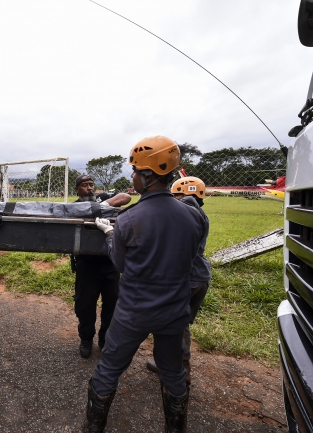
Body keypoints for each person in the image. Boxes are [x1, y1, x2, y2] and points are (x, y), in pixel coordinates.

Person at [82, 136, 206, 433]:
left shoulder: (128, 219)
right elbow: (190, 258)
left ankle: (92, 428)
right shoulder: (194, 216)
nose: (132, 176)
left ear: (148, 176)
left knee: (109, 370)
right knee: (173, 373)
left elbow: (121, 264)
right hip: (174, 311)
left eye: (135, 171)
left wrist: (110, 235)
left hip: (134, 313)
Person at [146, 176, 211, 389]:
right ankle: (172, 366)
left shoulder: (187, 211)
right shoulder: (201, 214)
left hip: (186, 278)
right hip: (200, 277)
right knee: (181, 325)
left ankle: (179, 374)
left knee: (173, 326)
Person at [72, 174, 130, 358]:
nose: (89, 188)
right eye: (84, 185)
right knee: (85, 304)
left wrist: (104, 205)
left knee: (112, 305)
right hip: (86, 263)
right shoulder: (74, 206)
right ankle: (86, 338)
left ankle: (105, 340)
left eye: (91, 185)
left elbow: (126, 197)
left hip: (110, 262)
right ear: (77, 190)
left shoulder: (103, 198)